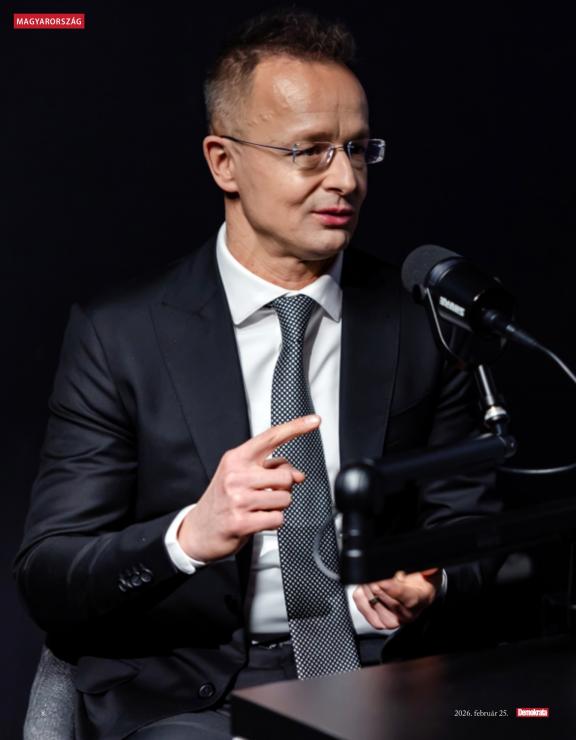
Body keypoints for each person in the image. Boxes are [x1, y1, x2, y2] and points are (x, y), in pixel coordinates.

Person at [14, 8, 499, 740]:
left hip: (385, 674)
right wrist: (189, 534)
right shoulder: (120, 336)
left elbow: (474, 527)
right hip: (196, 697)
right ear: (224, 162)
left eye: (357, 149)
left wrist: (432, 581)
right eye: (309, 151)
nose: (346, 179)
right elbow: (50, 575)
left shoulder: (419, 320)